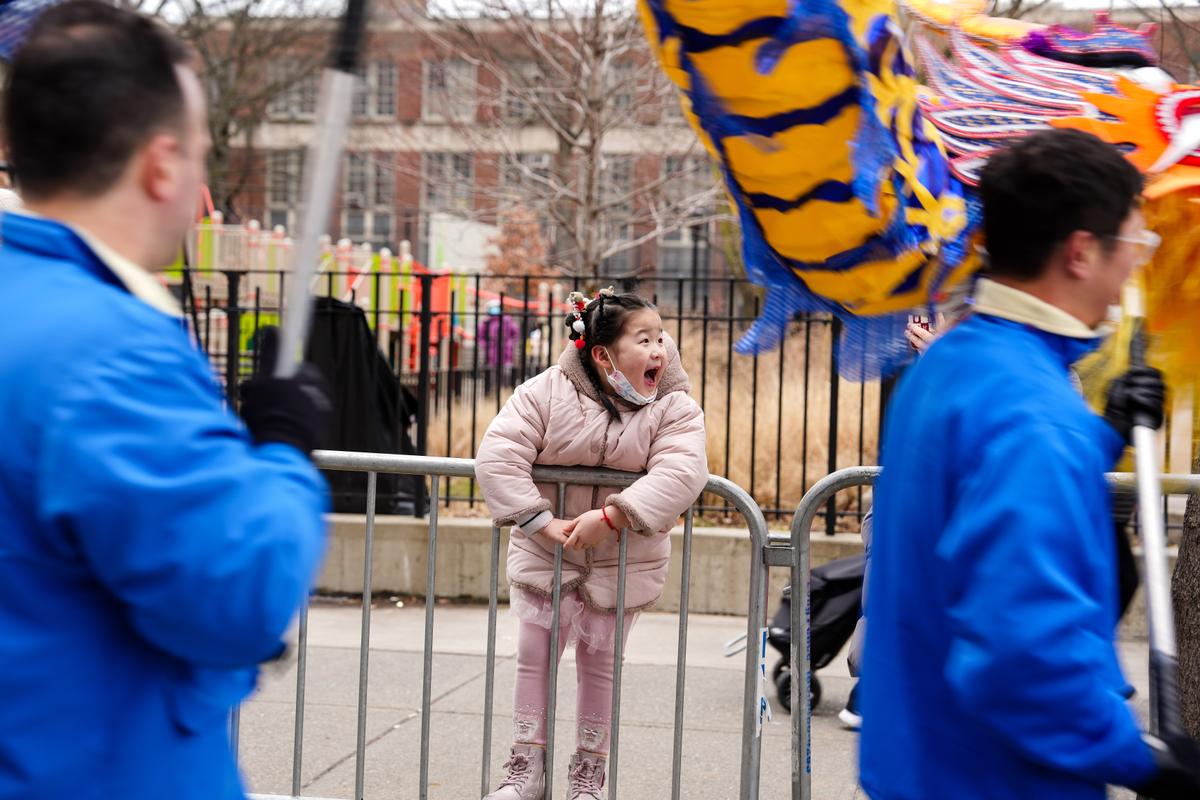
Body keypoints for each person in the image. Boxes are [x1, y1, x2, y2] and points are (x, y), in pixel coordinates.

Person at [0, 3, 331, 799]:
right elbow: (240, 591)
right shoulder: (109, 352)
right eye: (200, 154)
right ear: (159, 165)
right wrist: (285, 453)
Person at [858, 128, 1200, 799]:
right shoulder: (1036, 419)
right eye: (1133, 244)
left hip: (921, 762)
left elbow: (975, 500)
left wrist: (1099, 436)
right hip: (996, 777)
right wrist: (1140, 760)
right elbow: (1021, 656)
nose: (1136, 265)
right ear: (1079, 252)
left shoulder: (950, 365)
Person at [475, 289, 707, 800]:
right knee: (533, 659)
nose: (658, 351)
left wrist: (614, 516)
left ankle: (589, 777)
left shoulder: (675, 406)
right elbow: (498, 453)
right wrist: (538, 520)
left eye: (661, 337)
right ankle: (525, 770)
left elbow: (683, 470)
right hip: (546, 555)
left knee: (600, 668)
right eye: (643, 339)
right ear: (603, 354)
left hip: (622, 562)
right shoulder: (545, 392)